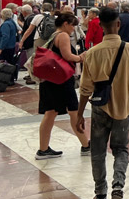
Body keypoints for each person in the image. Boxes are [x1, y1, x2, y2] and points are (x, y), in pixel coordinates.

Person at [76, 7, 129, 199]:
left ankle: (100, 191)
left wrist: (80, 114)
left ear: (100, 26)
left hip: (100, 107)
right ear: (118, 24)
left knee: (98, 151)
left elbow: (85, 88)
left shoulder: (92, 53)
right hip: (124, 107)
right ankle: (118, 187)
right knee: (121, 149)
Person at [36, 12, 89, 159]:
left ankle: (43, 149)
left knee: (51, 112)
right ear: (66, 24)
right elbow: (67, 56)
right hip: (61, 81)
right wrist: (80, 57)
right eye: (73, 25)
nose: (74, 29)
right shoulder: (63, 36)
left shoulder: (54, 35)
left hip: (50, 80)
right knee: (74, 110)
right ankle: (86, 145)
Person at [0, 8, 19, 83]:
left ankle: (4, 80)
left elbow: (5, 36)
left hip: (5, 48)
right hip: (11, 46)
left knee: (3, 65)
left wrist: (0, 48)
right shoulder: (12, 22)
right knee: (10, 64)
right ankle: (10, 79)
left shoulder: (6, 24)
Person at [19, 5, 37, 84]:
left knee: (31, 60)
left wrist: (22, 41)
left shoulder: (30, 19)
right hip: (31, 42)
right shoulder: (33, 17)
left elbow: (29, 31)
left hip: (30, 43)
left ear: (24, 12)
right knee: (30, 59)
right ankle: (30, 74)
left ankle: (32, 76)